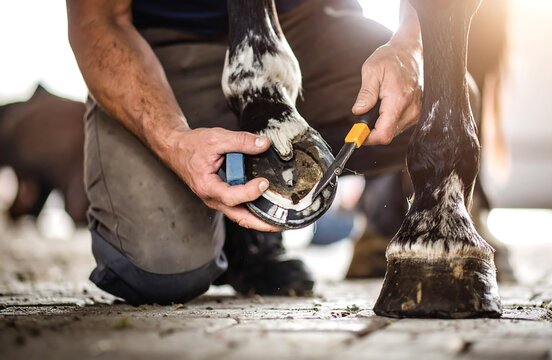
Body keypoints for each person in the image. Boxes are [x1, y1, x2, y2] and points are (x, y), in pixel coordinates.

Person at [67, 0, 423, 305]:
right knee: (159, 270)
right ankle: (229, 214)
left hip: (304, 26)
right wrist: (174, 140)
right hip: (167, 42)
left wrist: (411, 41)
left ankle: (256, 218)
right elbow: (98, 20)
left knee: (437, 104)